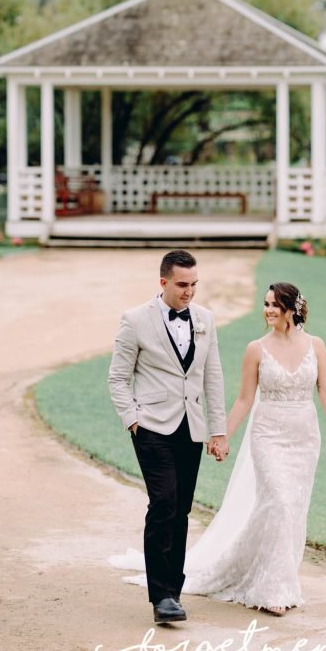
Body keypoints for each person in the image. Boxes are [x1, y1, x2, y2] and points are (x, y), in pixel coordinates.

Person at [182, 281, 326, 615]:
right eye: (266, 304)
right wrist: (221, 435)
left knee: (291, 511)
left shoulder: (316, 346)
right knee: (280, 503)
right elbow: (244, 399)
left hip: (304, 438)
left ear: (291, 309)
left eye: (275, 305)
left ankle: (281, 579)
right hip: (268, 436)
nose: (268, 310)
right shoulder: (256, 349)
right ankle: (271, 590)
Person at [108, 250, 229, 625]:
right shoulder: (134, 320)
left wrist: (218, 429)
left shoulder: (206, 319)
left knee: (182, 511)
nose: (189, 292)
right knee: (163, 503)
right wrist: (133, 421)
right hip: (152, 427)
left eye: (194, 284)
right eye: (182, 285)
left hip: (190, 428)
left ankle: (172, 592)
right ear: (163, 282)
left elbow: (213, 376)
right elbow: (117, 378)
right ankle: (160, 597)